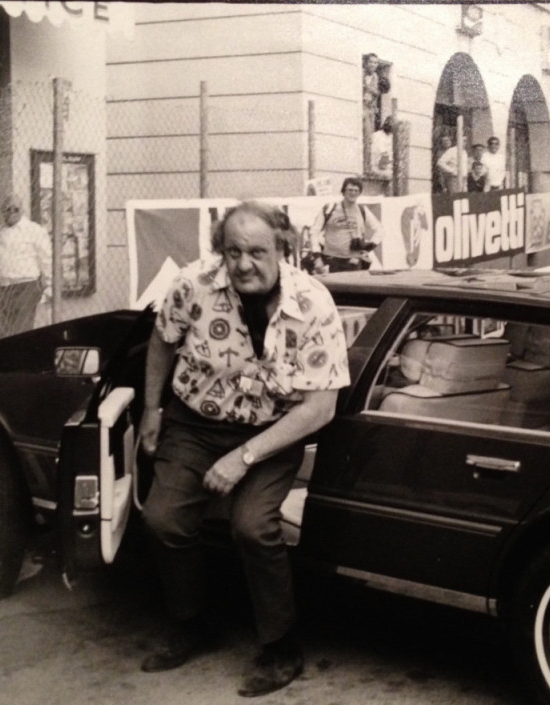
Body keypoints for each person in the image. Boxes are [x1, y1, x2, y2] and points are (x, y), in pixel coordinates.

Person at [138, 200, 350, 698]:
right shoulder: (193, 284)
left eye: (257, 251)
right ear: (220, 252)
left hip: (274, 430)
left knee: (253, 527)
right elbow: (162, 339)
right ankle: (192, 624)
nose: (244, 264)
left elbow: (320, 409)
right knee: (163, 519)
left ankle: (281, 646)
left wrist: (243, 458)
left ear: (283, 248)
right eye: (233, 251)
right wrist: (152, 407)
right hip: (195, 422)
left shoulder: (313, 303)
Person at [0, 194, 52, 339]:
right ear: (1, 211)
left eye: (15, 209)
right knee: (0, 334)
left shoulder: (34, 231)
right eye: (7, 209)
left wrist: (47, 287)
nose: (11, 213)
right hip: (1, 290)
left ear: (22, 210)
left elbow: (47, 261)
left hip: (25, 289)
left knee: (20, 334)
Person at [307, 177, 383, 273]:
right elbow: (314, 232)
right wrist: (317, 256)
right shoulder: (330, 208)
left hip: (354, 261)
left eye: (356, 190)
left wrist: (368, 248)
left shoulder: (362, 210)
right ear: (343, 191)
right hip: (331, 259)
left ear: (360, 193)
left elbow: (379, 230)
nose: (353, 193)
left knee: (354, 287)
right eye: (350, 190)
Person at [370, 116, 394, 180]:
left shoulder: (392, 137)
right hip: (378, 168)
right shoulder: (377, 135)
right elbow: (380, 154)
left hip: (389, 169)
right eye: (389, 123)